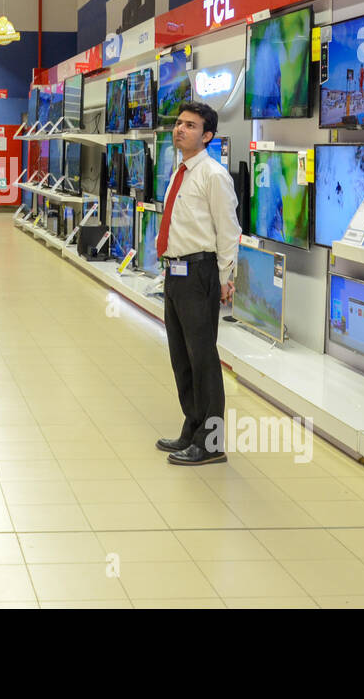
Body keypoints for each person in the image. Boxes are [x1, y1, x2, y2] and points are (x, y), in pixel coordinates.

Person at [154, 102, 241, 467]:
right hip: (176, 274)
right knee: (182, 358)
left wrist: (225, 279)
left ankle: (213, 442)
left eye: (190, 125)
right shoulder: (181, 172)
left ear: (207, 136)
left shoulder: (213, 175)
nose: (180, 129)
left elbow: (228, 232)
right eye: (178, 123)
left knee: (203, 359)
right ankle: (193, 428)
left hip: (200, 273)